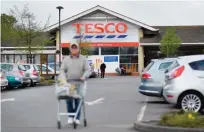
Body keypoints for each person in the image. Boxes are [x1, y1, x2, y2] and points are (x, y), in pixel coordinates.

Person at [59, 41, 89, 125]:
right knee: (68, 100)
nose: (74, 49)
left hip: (79, 83)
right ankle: (71, 116)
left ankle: (77, 117)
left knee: (78, 100)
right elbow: (62, 70)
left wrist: (84, 76)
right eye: (73, 47)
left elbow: (87, 70)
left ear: (78, 48)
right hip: (69, 84)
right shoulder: (66, 59)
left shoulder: (83, 59)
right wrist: (63, 79)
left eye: (76, 47)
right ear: (70, 49)